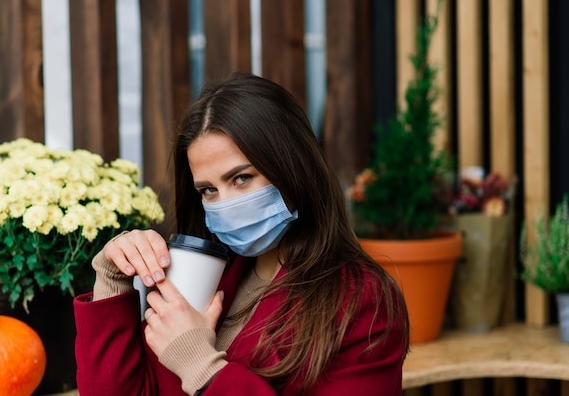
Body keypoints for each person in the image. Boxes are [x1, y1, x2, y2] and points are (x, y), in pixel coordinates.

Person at [74, 73, 409, 396]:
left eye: (241, 178)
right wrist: (112, 280)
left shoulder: (361, 301)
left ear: (292, 167)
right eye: (208, 190)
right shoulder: (205, 277)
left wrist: (202, 367)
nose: (225, 204)